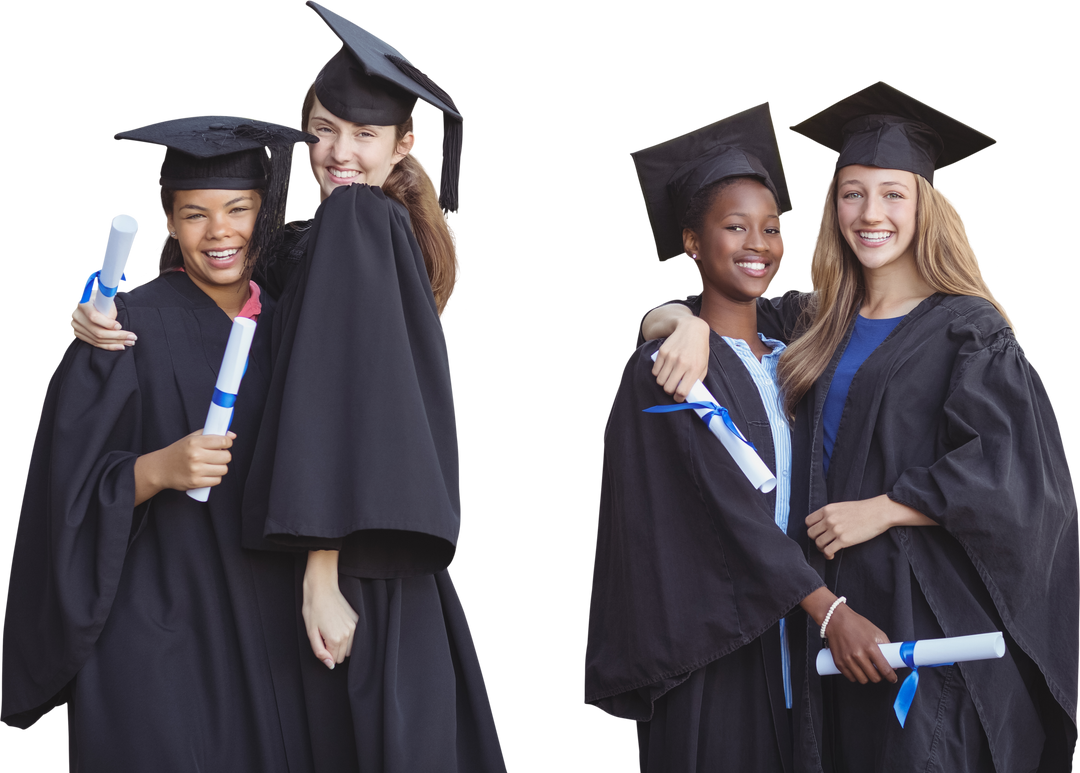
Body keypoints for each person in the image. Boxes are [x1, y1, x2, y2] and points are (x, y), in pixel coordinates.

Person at [66, 4, 508, 771]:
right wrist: (91, 300)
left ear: (406, 143)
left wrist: (321, 573)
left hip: (348, 563)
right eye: (325, 127)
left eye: (364, 135)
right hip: (383, 559)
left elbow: (340, 398)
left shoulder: (357, 223)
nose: (339, 152)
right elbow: (222, 284)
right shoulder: (358, 234)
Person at [638, 80, 1078, 772]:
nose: (870, 213)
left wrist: (887, 506)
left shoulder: (968, 329)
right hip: (830, 610)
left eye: (893, 194)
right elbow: (714, 301)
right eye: (853, 193)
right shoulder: (814, 321)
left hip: (923, 609)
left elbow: (1018, 470)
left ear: (924, 207)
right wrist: (678, 324)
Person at [582, 101, 900, 773]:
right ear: (692, 242)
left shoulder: (796, 356)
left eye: (771, 227)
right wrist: (830, 608)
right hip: (715, 643)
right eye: (735, 227)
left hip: (799, 642)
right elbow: (722, 509)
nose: (759, 243)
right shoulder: (663, 373)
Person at [1, 114, 318, 772]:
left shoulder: (296, 320)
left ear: (265, 214)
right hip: (160, 623)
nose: (220, 232)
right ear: (169, 223)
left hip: (275, 619)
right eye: (195, 214)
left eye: (238, 209)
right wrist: (159, 467)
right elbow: (66, 487)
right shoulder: (120, 328)